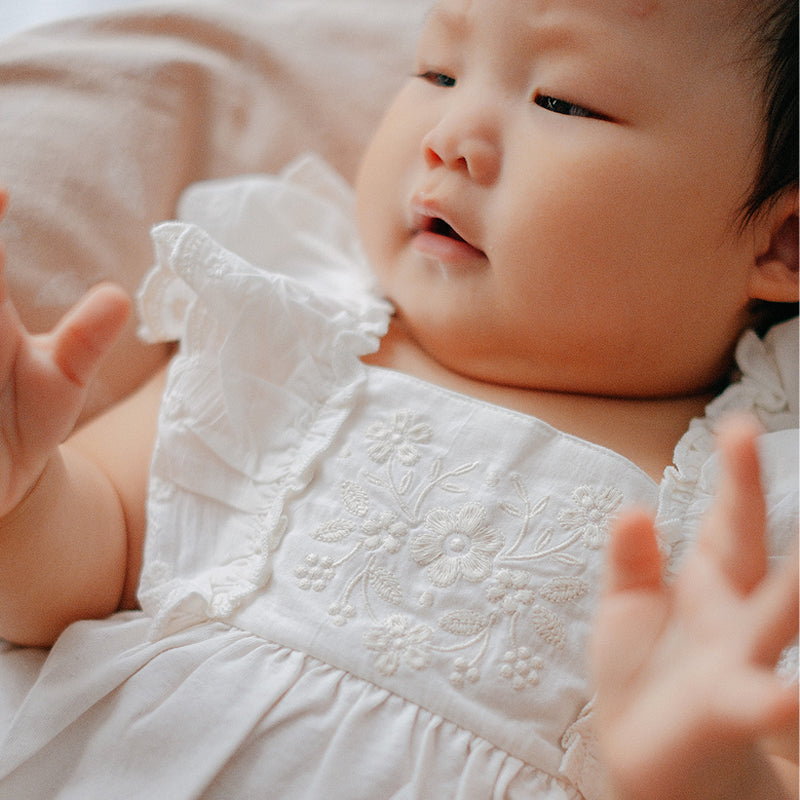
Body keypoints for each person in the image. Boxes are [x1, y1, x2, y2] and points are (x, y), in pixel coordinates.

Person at [0, 0, 797, 797]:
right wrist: (23, 496)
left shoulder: (761, 507)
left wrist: (718, 776)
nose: (447, 137)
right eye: (437, 72)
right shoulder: (294, 350)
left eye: (562, 101)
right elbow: (71, 574)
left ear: (782, 242)